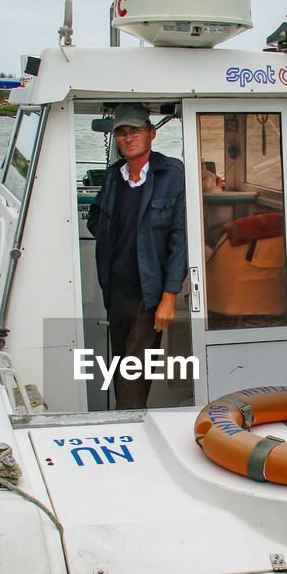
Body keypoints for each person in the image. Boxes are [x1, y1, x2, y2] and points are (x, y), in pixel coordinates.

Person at [86, 103, 187, 409]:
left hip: (150, 295)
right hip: (116, 291)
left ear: (151, 133)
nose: (129, 138)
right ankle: (128, 422)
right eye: (122, 133)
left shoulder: (172, 174)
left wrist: (169, 295)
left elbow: (180, 238)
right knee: (120, 364)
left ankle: (125, 427)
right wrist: (110, 234)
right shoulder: (114, 177)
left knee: (135, 371)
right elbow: (95, 217)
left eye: (136, 131)